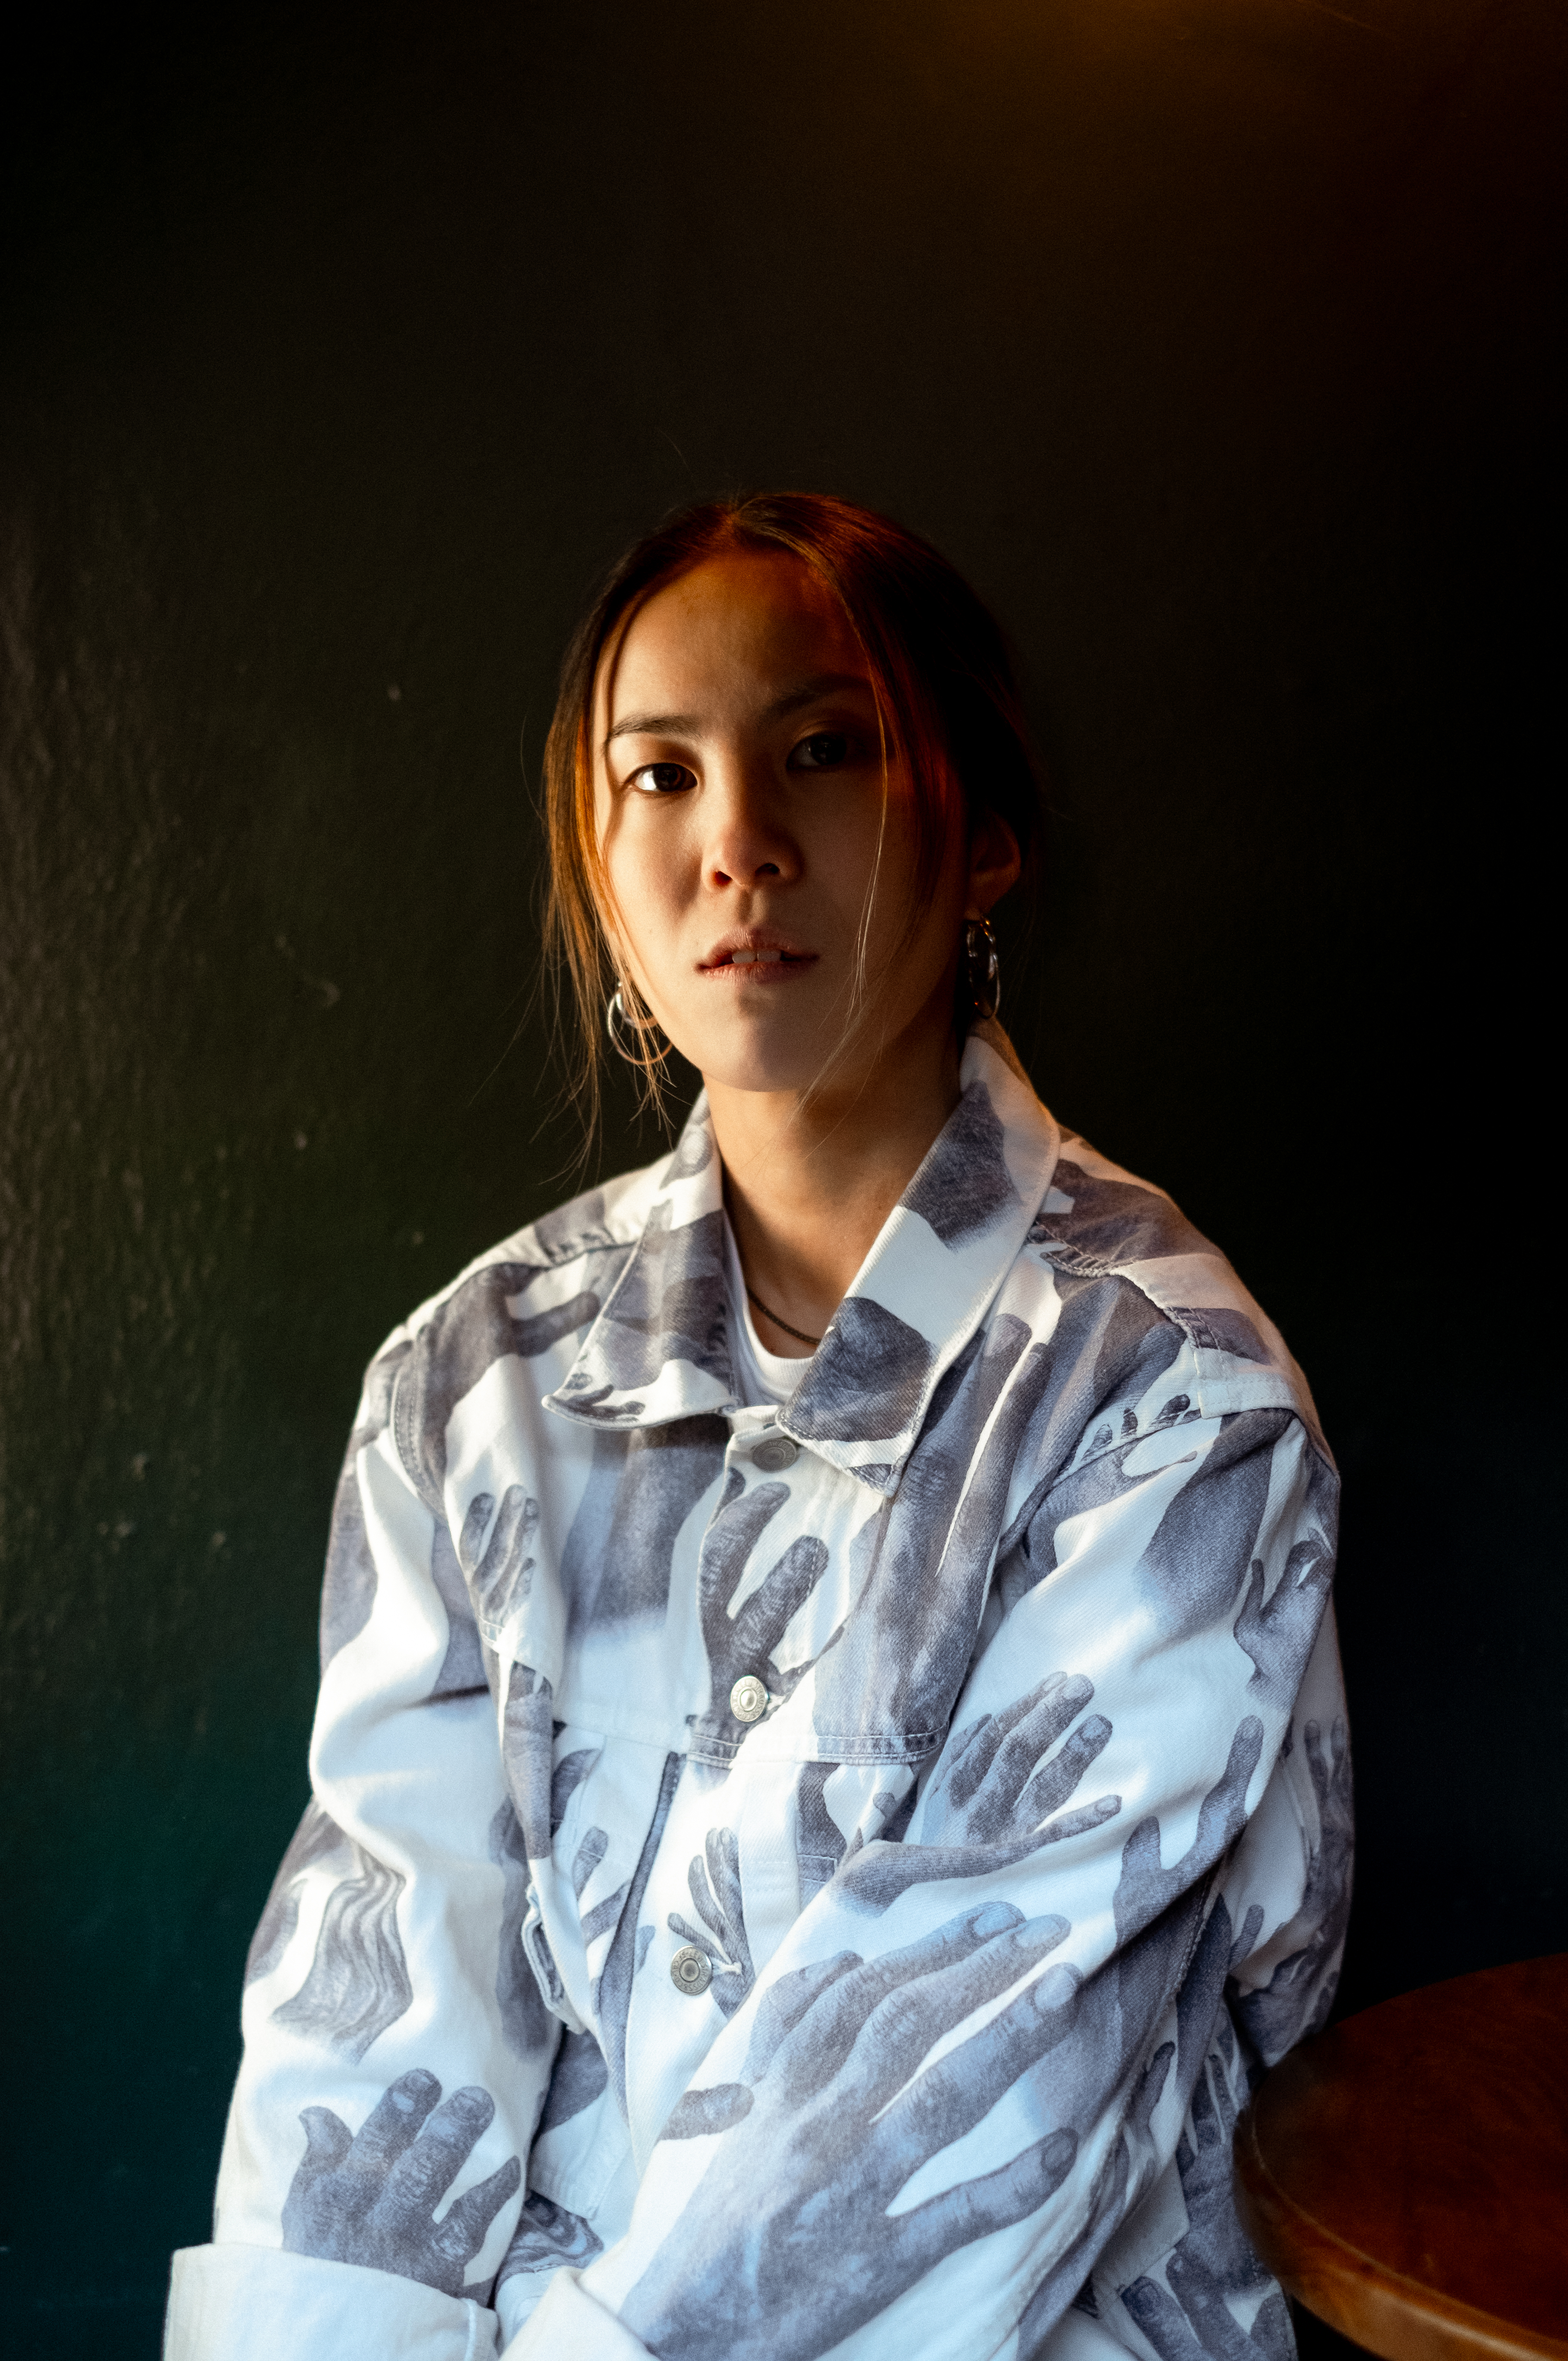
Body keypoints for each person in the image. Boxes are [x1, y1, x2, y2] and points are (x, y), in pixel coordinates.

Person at [164, 494, 1350, 2361]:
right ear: (596, 848)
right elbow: (384, 2004)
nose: (737, 842)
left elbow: (966, 2072)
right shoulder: (477, 1377)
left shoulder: (1164, 1393)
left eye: (826, 750)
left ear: (985, 839)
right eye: (659, 773)